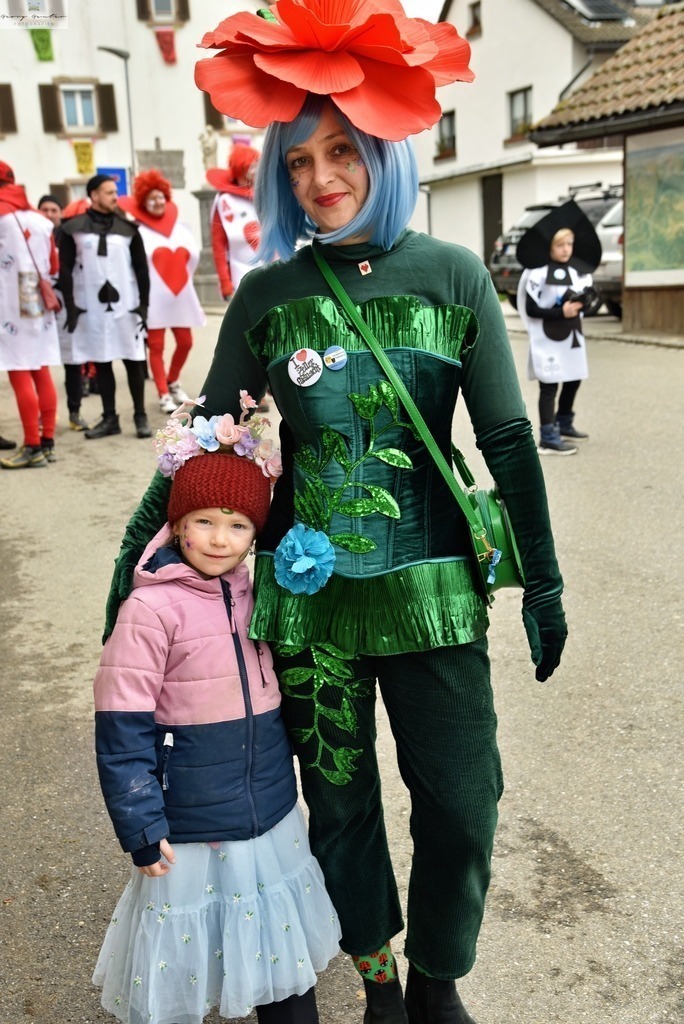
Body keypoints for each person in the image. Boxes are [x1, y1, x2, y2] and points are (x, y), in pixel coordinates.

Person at [107, 4, 568, 1023]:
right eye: (300, 160)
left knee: (464, 799)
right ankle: (378, 978)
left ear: (383, 152)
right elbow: (204, 446)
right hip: (308, 613)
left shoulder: (452, 275)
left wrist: (545, 576)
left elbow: (502, 440)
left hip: (434, 594)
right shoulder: (269, 293)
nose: (320, 178)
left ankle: (443, 974)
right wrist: (132, 577)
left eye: (341, 151)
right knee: (342, 808)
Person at [93, 395, 341, 1024]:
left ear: (256, 534)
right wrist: (141, 825)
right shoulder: (149, 611)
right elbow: (122, 728)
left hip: (268, 812)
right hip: (190, 823)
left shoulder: (254, 595)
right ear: (177, 524)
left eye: (238, 526)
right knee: (184, 955)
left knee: (278, 949)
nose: (219, 539)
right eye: (204, 521)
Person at [58, 174, 151, 440]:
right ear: (94, 195)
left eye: (115, 192)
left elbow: (142, 269)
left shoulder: (128, 229)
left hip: (126, 306)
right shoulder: (73, 229)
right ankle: (110, 418)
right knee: (102, 360)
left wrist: (144, 305)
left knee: (134, 360)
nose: (115, 197)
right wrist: (71, 305)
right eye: (109, 192)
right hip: (92, 309)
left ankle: (140, 415)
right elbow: (64, 267)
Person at [516, 200, 602, 456]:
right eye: (560, 245)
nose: (566, 250)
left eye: (569, 244)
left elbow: (588, 300)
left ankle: (564, 422)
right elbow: (531, 308)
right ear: (550, 246)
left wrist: (585, 302)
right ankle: (548, 436)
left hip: (572, 336)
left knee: (574, 378)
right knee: (550, 385)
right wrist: (560, 311)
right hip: (547, 337)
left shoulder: (578, 272)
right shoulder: (537, 273)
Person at [118, 169, 206, 414]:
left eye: (160, 197)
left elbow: (192, 260)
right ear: (143, 202)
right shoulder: (138, 232)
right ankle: (163, 393)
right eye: (151, 198)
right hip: (153, 300)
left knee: (185, 342)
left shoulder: (181, 229)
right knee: (155, 347)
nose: (157, 202)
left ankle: (172, 380)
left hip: (180, 298)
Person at [0, 161, 60, 469]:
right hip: (37, 295)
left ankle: (32, 445)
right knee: (40, 368)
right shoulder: (39, 219)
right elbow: (52, 264)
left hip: (9, 300)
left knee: (19, 369)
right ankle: (47, 441)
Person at [38, 192, 91, 431]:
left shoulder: (70, 238)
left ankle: (74, 412)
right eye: (44, 210)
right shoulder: (32, 238)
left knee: (72, 362)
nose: (49, 215)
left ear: (61, 214)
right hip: (40, 310)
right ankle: (44, 415)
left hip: (67, 308)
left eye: (53, 210)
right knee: (39, 365)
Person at [208, 143, 262, 302]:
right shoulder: (225, 201)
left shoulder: (267, 195)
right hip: (241, 278)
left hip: (272, 273)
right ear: (241, 169)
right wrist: (225, 282)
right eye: (252, 166)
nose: (257, 170)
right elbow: (219, 244)